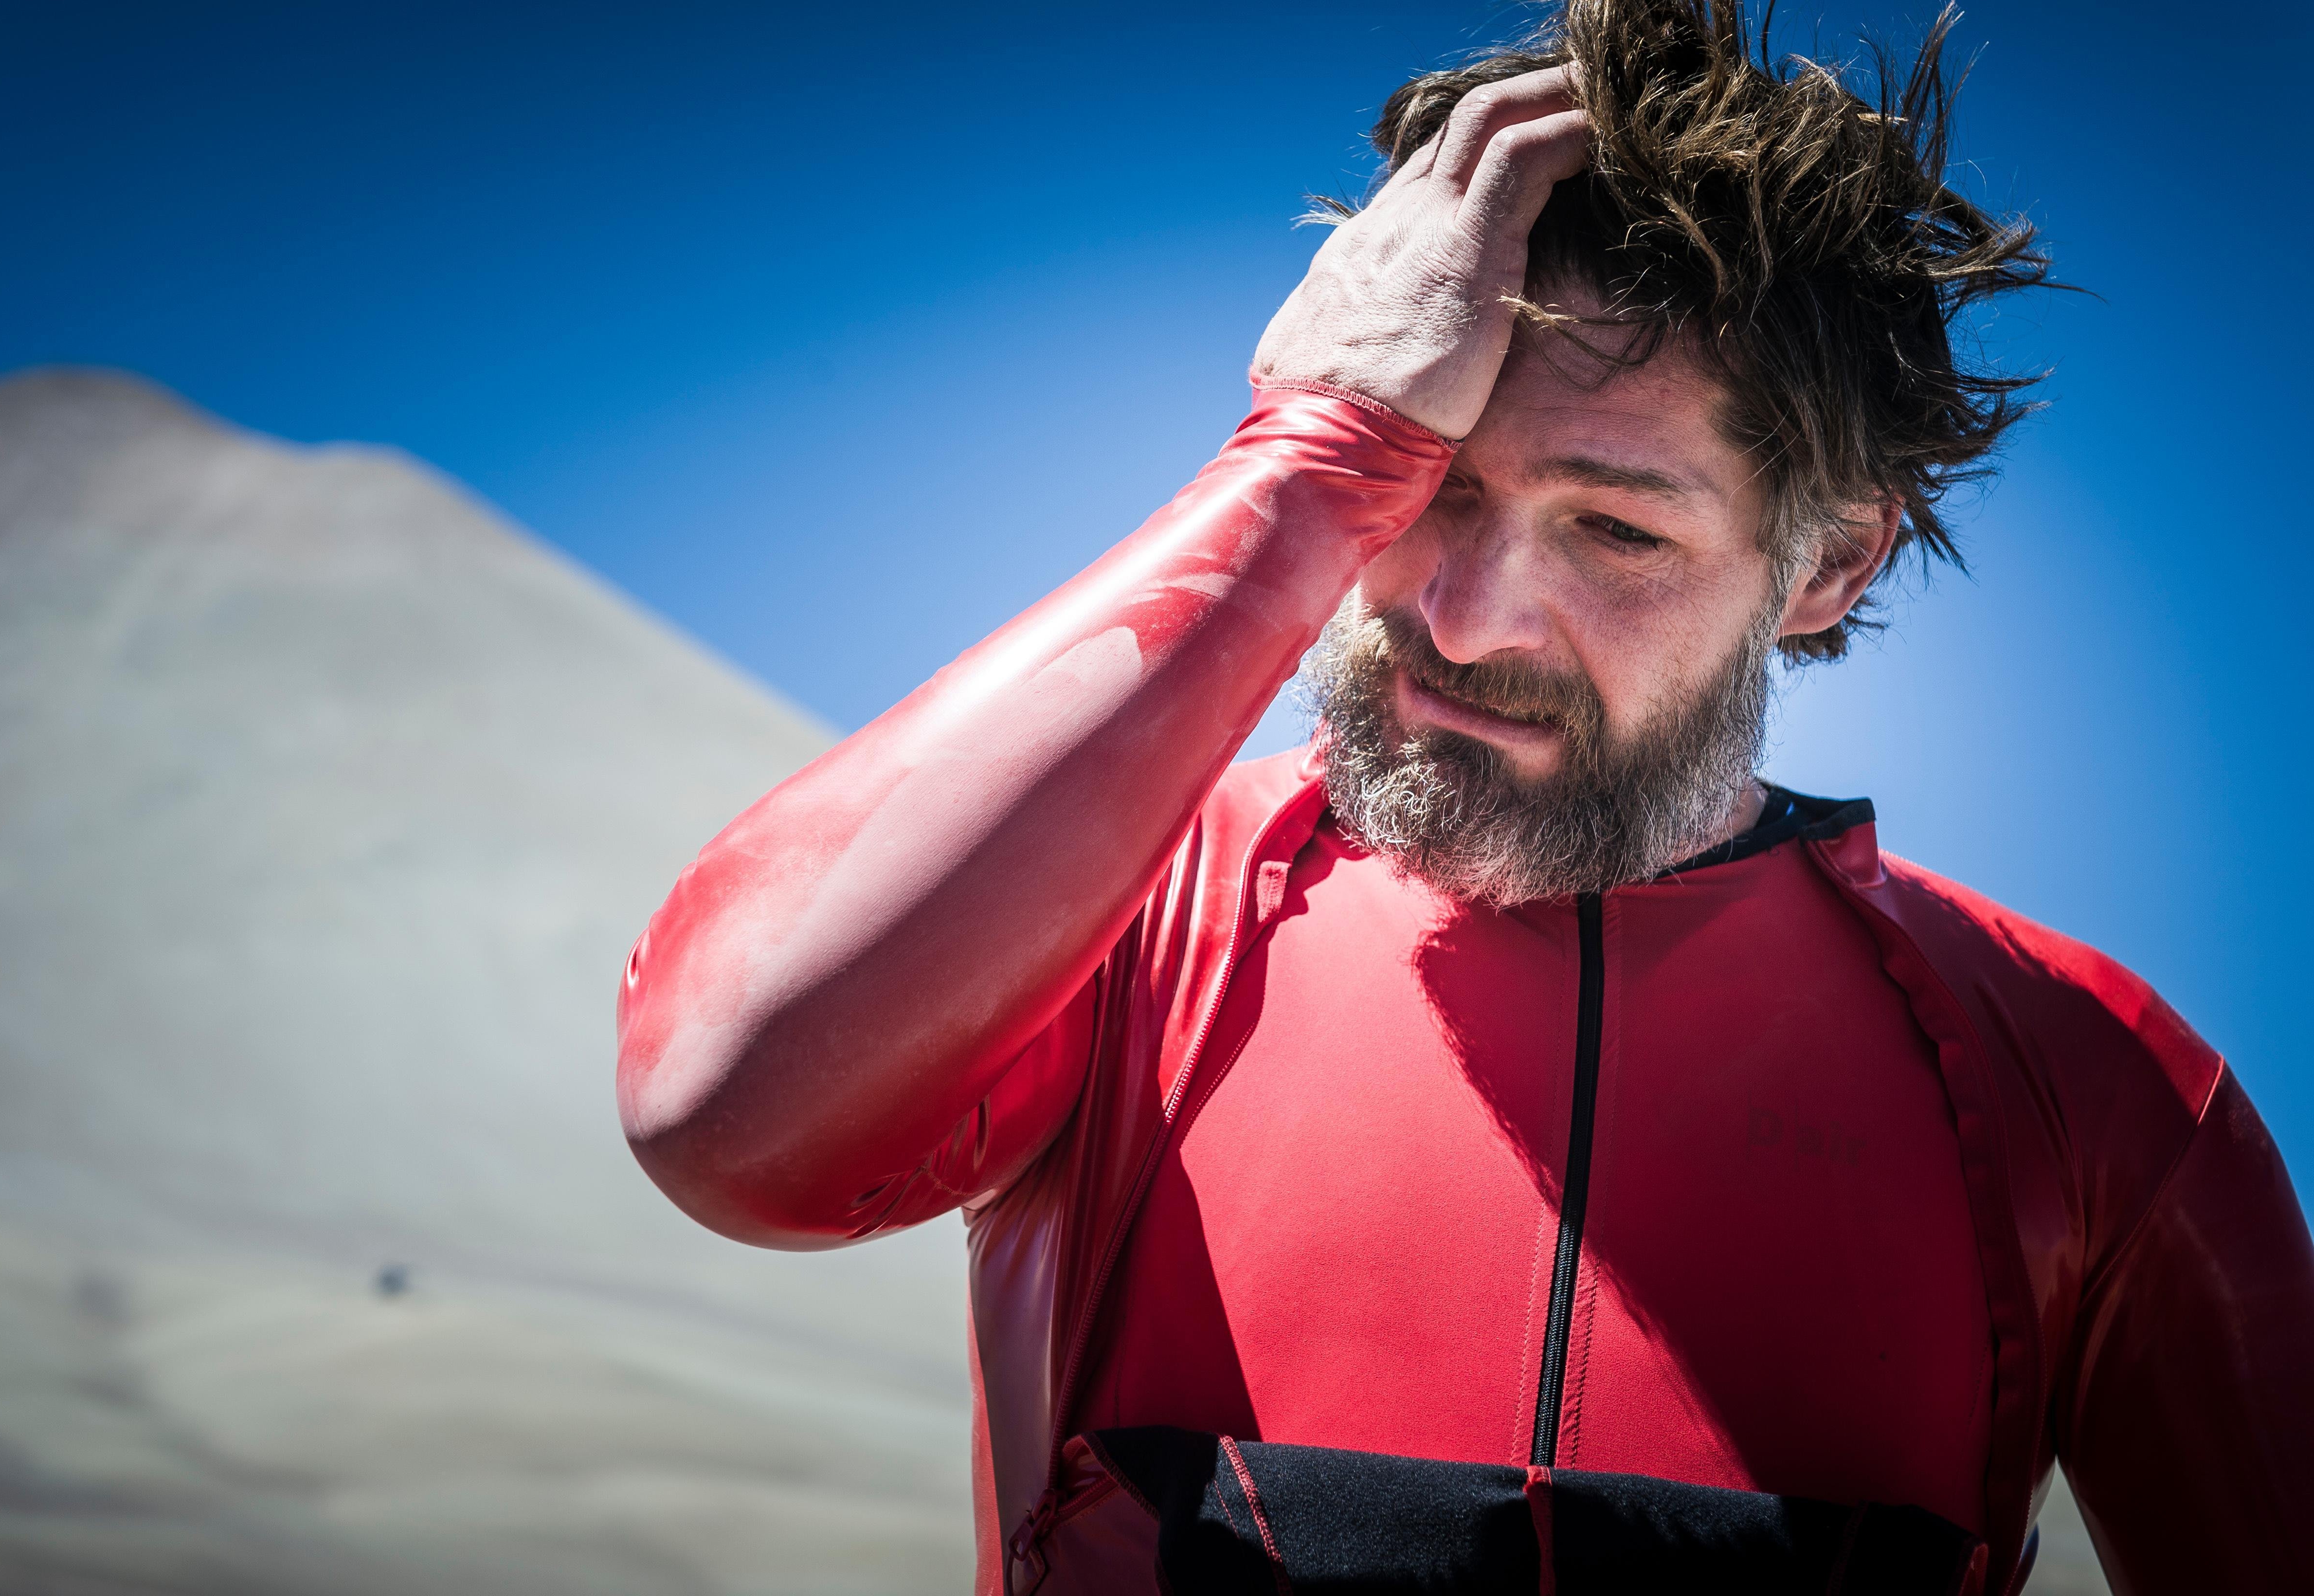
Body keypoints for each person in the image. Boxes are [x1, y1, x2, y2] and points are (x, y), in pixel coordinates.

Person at [614, 1, 2314, 1591]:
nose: (1465, 615)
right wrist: (1313, 457)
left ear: (1826, 566)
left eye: (1617, 530)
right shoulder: (1118, 915)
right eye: (1428, 482)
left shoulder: (2089, 1088)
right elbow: (729, 1111)